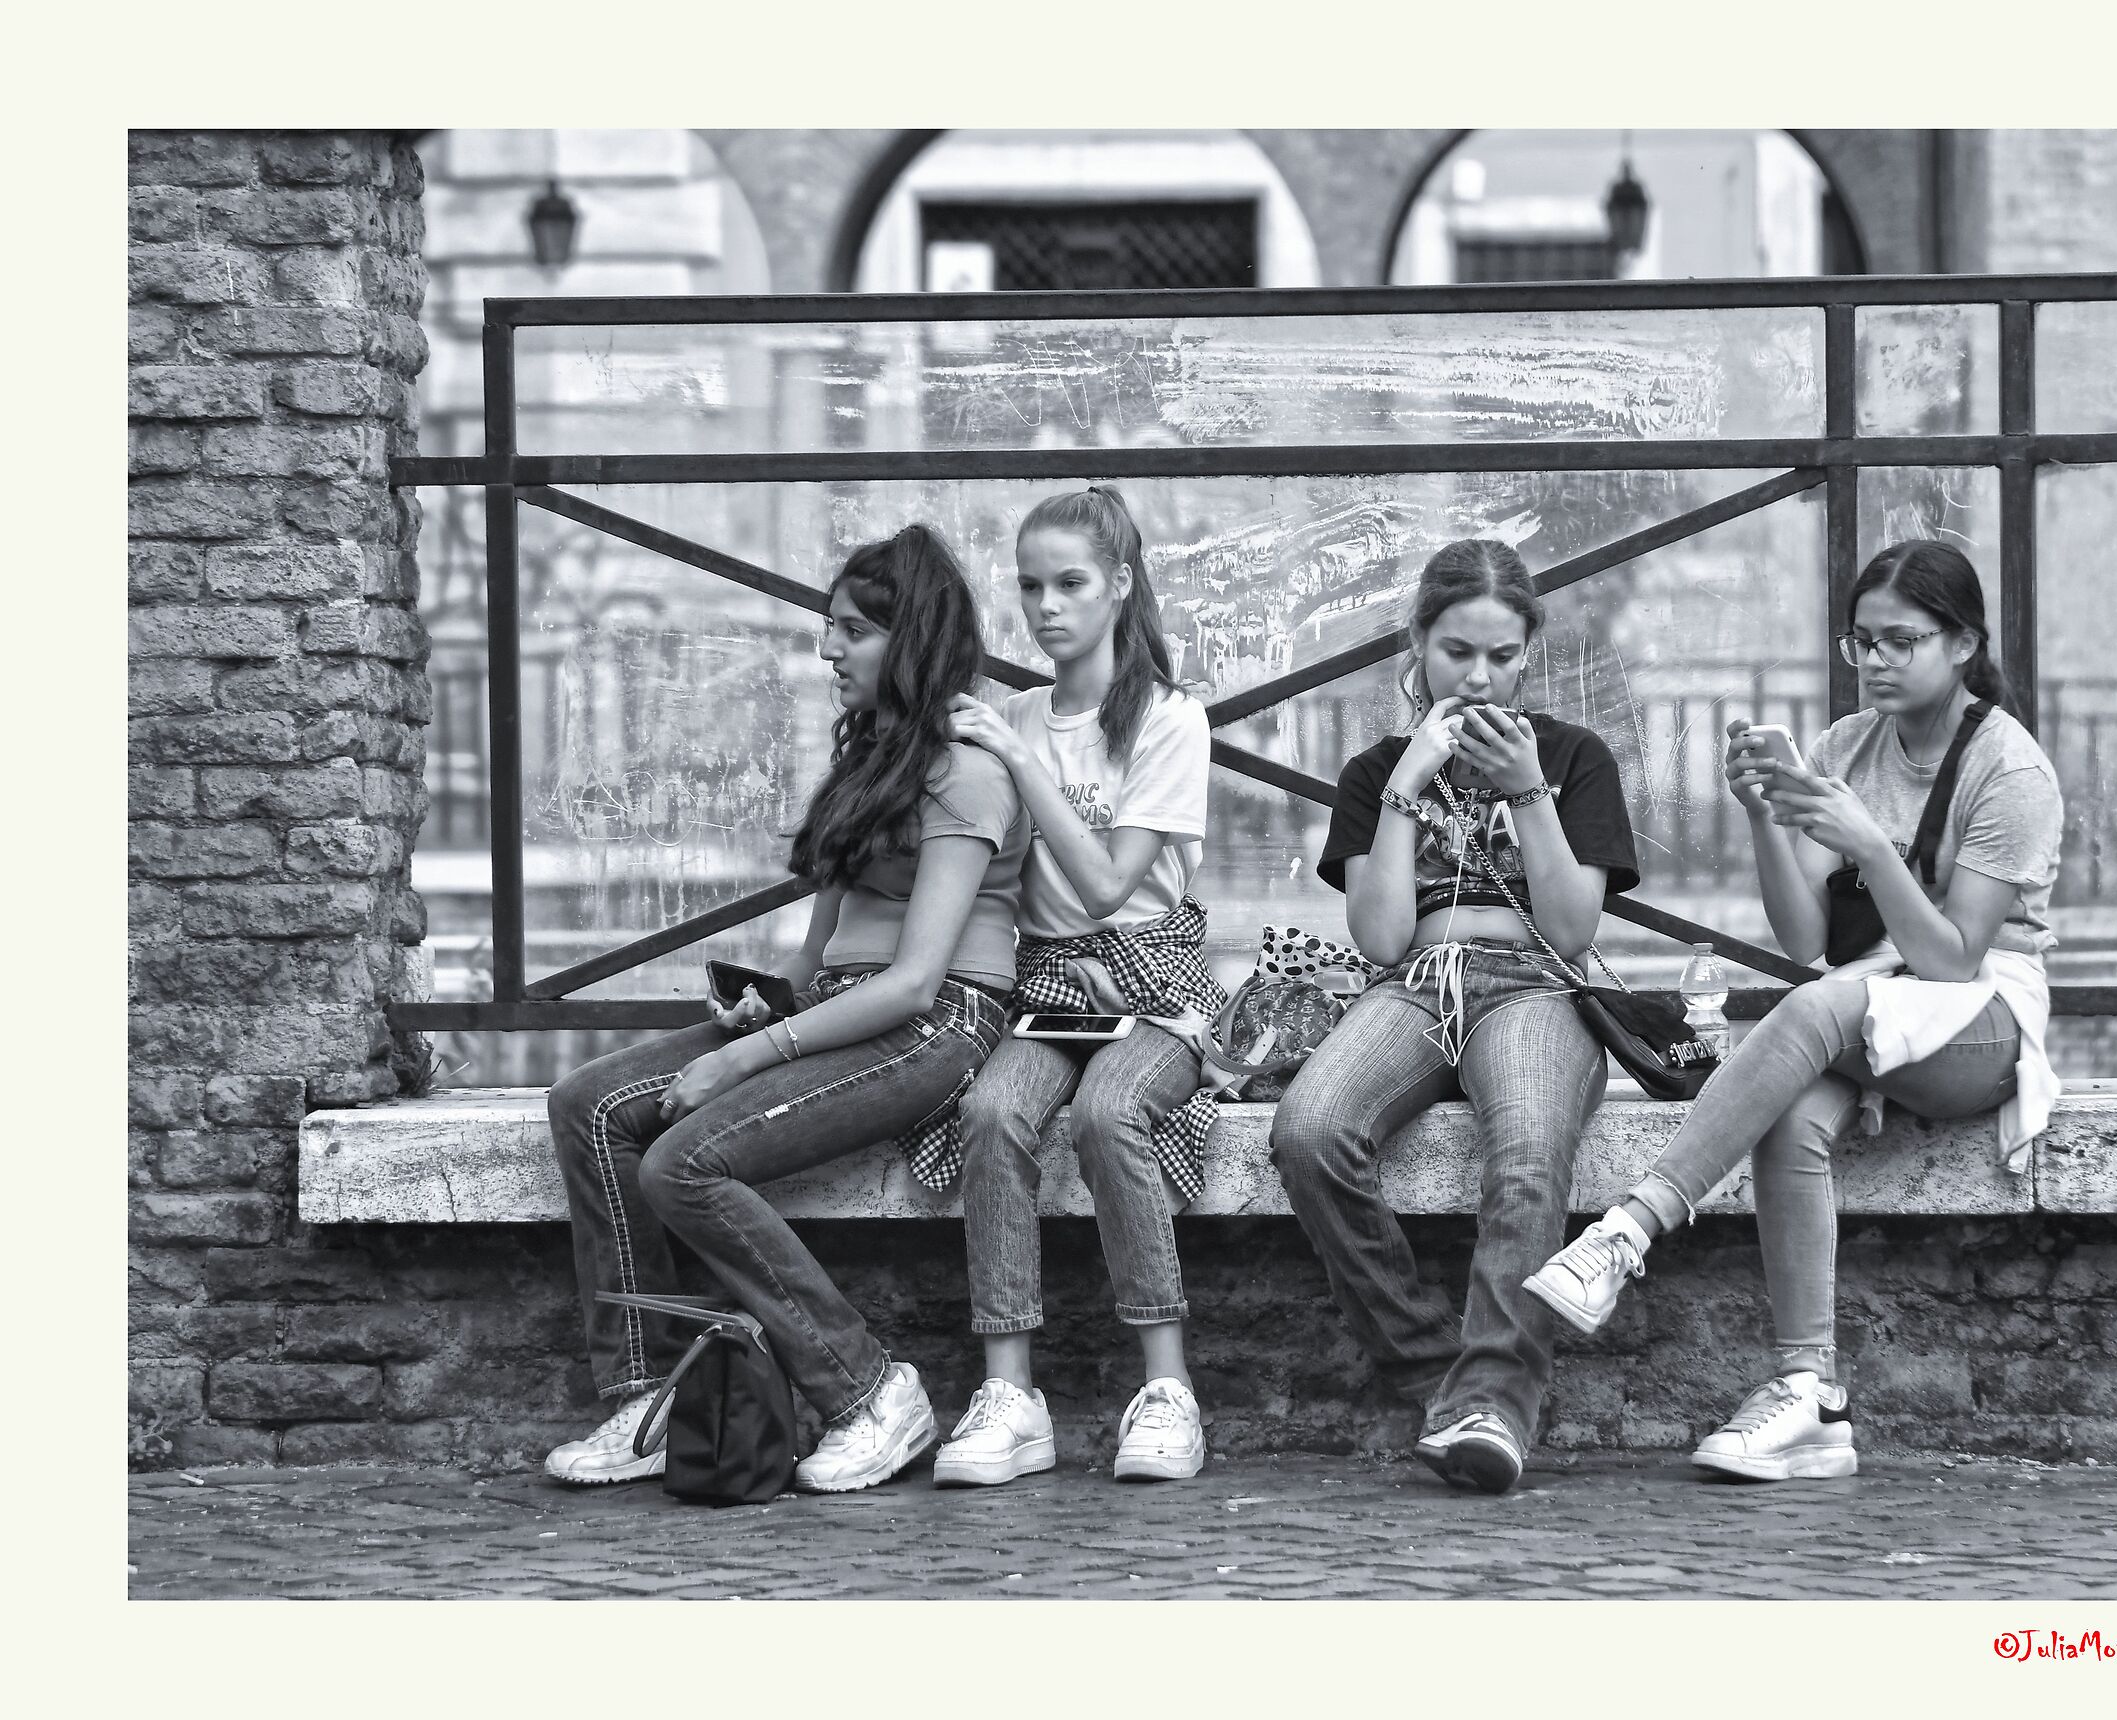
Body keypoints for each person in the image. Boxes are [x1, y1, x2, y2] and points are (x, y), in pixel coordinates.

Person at [1525, 540, 2064, 1482]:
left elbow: (1953, 959)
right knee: (1789, 1115)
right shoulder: (1846, 746)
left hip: (1978, 1020)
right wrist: (1765, 817)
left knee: (1819, 1009)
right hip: (1865, 1004)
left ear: (1964, 644)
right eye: (1863, 642)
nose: (1878, 661)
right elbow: (1807, 935)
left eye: (1902, 641)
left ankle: (1628, 1230)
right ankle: (1811, 1394)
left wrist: (1872, 845)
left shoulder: (2010, 771)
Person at [540, 524, 1030, 1493]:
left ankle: (870, 1392)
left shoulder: (968, 773)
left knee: (684, 1163)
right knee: (588, 1106)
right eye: (827, 626)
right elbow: (821, 954)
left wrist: (744, 1061)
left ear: (910, 640)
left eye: (852, 631)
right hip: (844, 1008)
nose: (827, 649)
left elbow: (914, 981)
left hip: (939, 1023)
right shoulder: (870, 763)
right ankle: (648, 1391)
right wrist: (761, 1013)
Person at [1270, 538, 1639, 1496]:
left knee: (1528, 1148)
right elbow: (1382, 937)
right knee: (1310, 1130)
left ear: (1528, 655)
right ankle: (1440, 1374)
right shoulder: (1377, 771)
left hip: (1534, 984)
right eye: (1457, 653)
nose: (1478, 678)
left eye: (1502, 657)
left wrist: (1526, 789)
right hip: (1415, 982)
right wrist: (1408, 785)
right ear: (1419, 646)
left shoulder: (1573, 757)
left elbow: (1572, 928)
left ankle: (1496, 1404)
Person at [940, 485, 1226, 1485]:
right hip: (1049, 985)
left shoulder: (1169, 719)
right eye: (1030, 587)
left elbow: (1109, 885)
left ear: (1120, 584)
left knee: (1111, 1112)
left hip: (1153, 982)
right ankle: (1011, 1395)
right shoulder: (1013, 716)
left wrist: (1020, 761)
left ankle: (1168, 1387)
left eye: (1070, 583)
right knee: (990, 1112)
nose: (1047, 606)